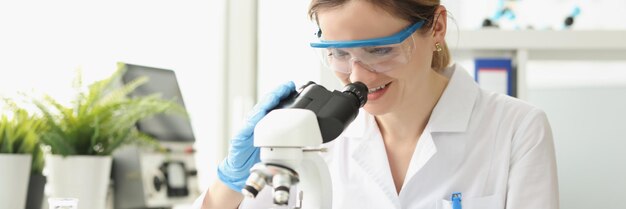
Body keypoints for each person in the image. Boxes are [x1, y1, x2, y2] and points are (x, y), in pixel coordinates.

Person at [194, 0, 559, 208]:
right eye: (338, 53)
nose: (358, 77)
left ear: (437, 27)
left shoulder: (515, 130)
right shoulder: (313, 136)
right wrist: (230, 179)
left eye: (381, 50)